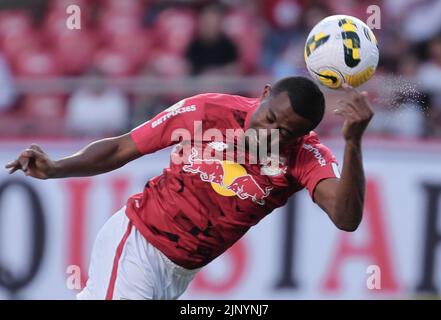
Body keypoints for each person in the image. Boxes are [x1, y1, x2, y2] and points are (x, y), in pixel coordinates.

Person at [4, 76, 373, 300]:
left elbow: (346, 218)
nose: (268, 133)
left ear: (301, 136)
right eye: (269, 118)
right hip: (138, 243)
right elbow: (122, 147)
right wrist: (56, 167)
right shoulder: (207, 110)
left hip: (179, 274)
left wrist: (353, 143)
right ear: (262, 95)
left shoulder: (305, 156)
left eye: (284, 132)